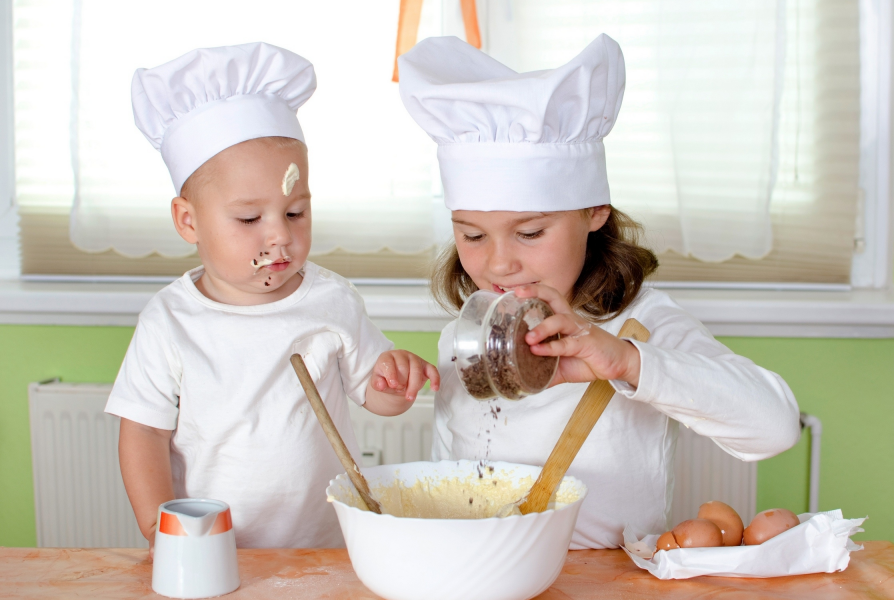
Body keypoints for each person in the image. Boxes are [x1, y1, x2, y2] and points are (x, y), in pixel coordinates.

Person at [398, 34, 801, 549]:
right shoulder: (465, 337)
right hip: (486, 572)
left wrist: (626, 362)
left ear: (594, 211)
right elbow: (451, 474)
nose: (498, 262)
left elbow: (775, 426)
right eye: (472, 234)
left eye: (530, 232)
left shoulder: (644, 324)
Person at [106, 43, 439, 552]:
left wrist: (395, 384)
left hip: (325, 545)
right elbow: (143, 433)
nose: (279, 236)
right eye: (248, 219)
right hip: (216, 548)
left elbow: (374, 393)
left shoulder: (331, 301)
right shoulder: (170, 321)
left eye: (295, 212)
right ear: (187, 221)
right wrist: (159, 526)